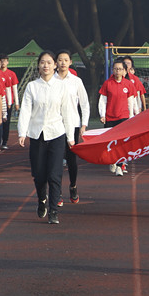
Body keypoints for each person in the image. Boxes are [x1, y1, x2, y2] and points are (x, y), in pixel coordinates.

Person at [18, 50, 76, 225]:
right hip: (37, 134)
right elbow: (25, 110)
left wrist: (70, 136)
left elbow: (67, 112)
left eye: (49, 62)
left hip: (57, 133)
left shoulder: (62, 87)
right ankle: (42, 199)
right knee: (39, 174)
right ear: (38, 65)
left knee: (54, 174)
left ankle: (53, 211)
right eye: (43, 62)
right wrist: (22, 132)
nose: (46, 66)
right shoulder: (32, 86)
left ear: (55, 65)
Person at [56, 50, 90, 204]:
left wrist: (84, 124)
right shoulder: (51, 81)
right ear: (56, 62)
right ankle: (57, 191)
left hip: (73, 124)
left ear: (70, 62)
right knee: (56, 159)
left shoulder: (76, 81)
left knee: (71, 159)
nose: (63, 62)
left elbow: (84, 103)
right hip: (55, 124)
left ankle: (73, 185)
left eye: (66, 60)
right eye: (60, 60)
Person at [98, 58, 136, 175]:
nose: (117, 71)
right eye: (115, 69)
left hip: (123, 117)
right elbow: (102, 101)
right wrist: (102, 114)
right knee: (110, 142)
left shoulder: (128, 84)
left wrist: (131, 116)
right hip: (110, 117)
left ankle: (120, 165)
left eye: (120, 69)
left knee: (122, 142)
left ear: (124, 70)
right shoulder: (107, 83)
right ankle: (112, 160)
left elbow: (131, 101)